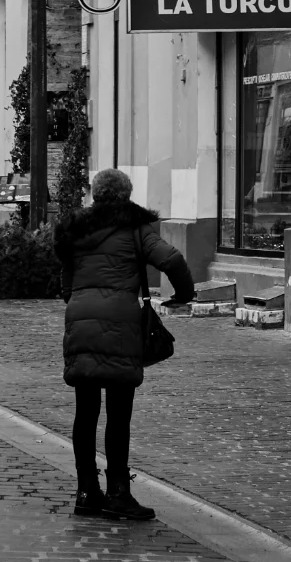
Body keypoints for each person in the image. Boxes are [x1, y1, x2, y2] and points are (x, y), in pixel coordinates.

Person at [57, 168, 196, 522]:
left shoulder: (75, 228)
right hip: (121, 325)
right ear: (126, 194)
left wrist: (81, 303)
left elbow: (65, 284)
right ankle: (118, 492)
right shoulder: (136, 227)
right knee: (119, 413)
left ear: (95, 193)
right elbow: (173, 260)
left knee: (85, 411)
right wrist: (184, 295)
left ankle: (87, 491)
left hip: (81, 321)